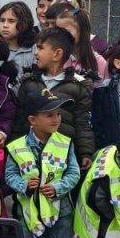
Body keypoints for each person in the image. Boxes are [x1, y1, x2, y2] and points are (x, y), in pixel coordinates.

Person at [3, 89, 81, 238]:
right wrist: (23, 185)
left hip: (61, 211)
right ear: (32, 120)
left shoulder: (66, 143)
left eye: (57, 114)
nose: (56, 119)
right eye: (49, 115)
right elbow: (10, 175)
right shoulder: (16, 146)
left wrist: (58, 188)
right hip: (28, 213)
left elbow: (73, 174)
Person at [12, 27, 95, 170]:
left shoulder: (78, 86)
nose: (36, 53)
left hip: (63, 156)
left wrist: (85, 153)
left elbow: (83, 123)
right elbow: (19, 120)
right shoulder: (28, 83)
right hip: (30, 154)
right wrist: (12, 149)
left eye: (40, 48)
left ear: (57, 54)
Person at [0, 1, 38, 88]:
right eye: (2, 20)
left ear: (24, 24)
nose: (5, 25)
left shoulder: (34, 50)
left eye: (11, 21)